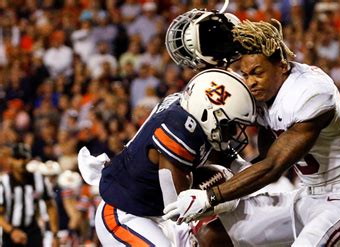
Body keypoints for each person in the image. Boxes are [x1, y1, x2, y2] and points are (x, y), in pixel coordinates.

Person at [164, 19, 340, 246]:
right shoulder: (264, 94)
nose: (251, 82)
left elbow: (273, 167)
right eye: (246, 74)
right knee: (211, 233)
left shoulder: (311, 92)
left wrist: (211, 196)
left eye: (257, 73)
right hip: (305, 195)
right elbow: (265, 156)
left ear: (282, 65)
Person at [78, 68, 256, 246]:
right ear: (208, 113)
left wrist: (242, 174)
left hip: (155, 213)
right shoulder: (179, 129)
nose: (234, 132)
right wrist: (218, 198)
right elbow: (178, 207)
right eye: (230, 125)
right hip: (124, 214)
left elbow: (229, 162)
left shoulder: (191, 110)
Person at [0, 143, 59, 247]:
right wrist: (12, 231)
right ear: (10, 160)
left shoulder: (39, 179)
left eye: (24, 158)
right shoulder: (3, 183)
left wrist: (55, 234)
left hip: (33, 232)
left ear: (29, 159)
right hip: (10, 233)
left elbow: (50, 206)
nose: (21, 162)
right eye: (17, 158)